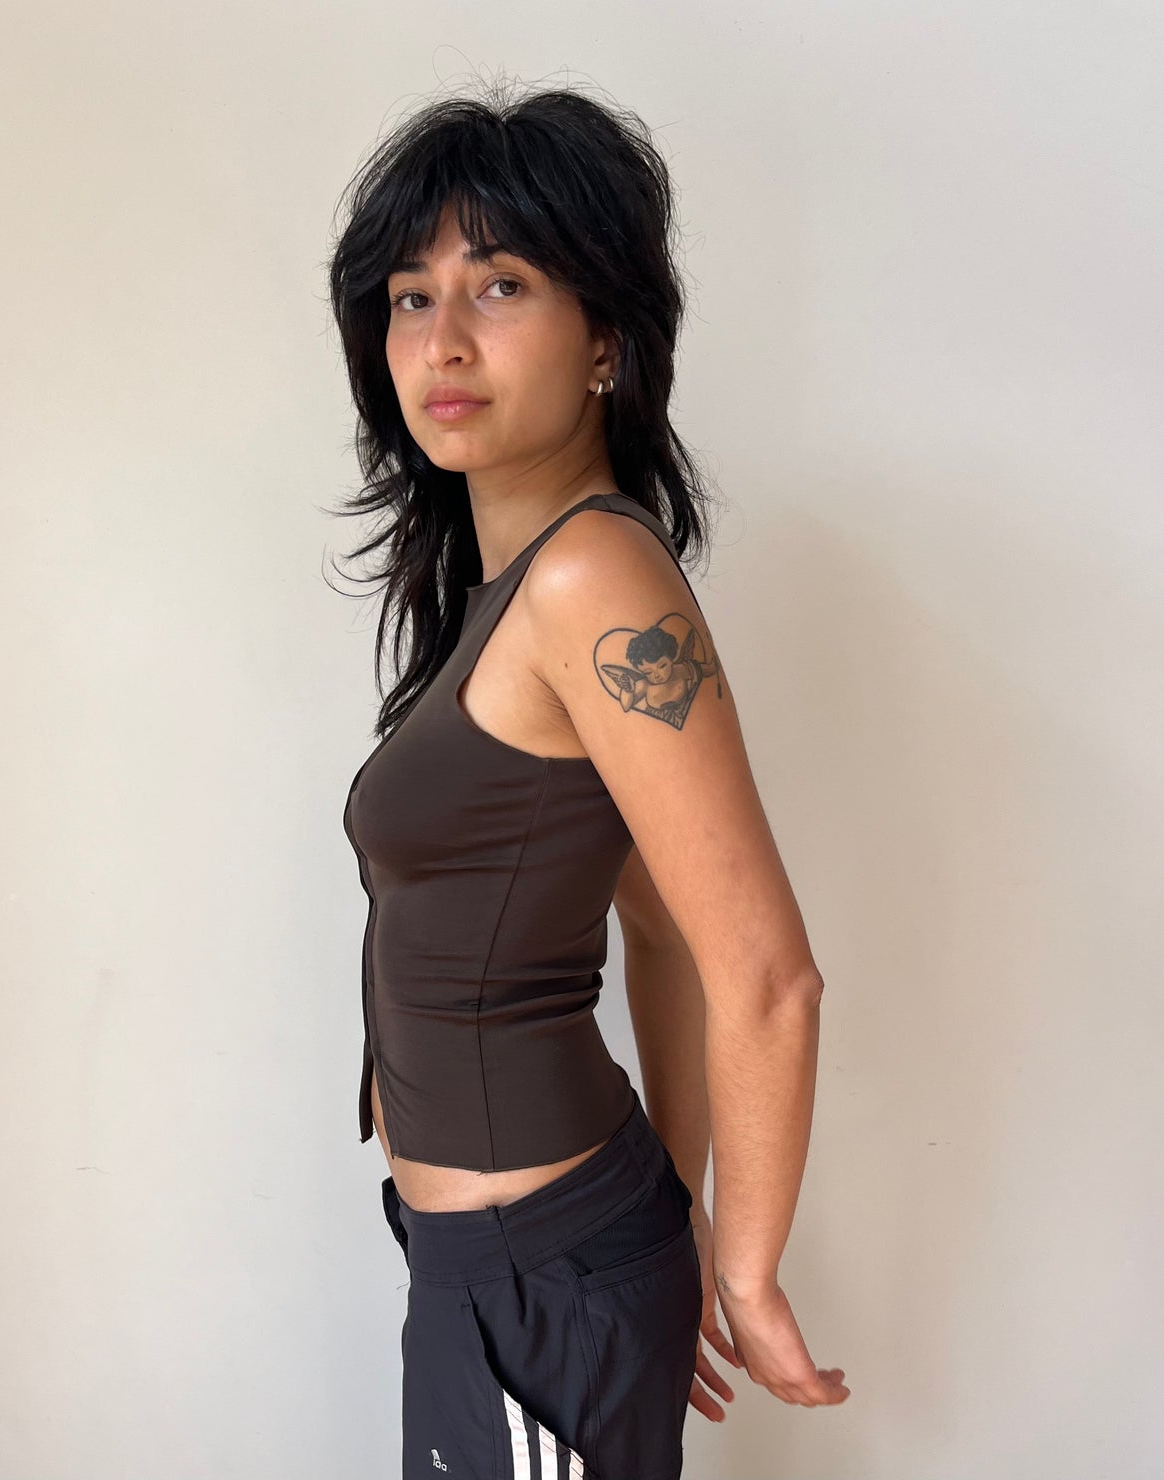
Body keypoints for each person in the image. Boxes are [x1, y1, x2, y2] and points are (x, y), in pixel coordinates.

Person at [326, 80, 849, 1479]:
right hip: (505, 1262)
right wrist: (674, 1193)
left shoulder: (587, 577)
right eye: (408, 296)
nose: (442, 337)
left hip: (536, 1272)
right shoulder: (516, 591)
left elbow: (768, 976)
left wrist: (744, 1269)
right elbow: (658, 926)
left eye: (500, 285)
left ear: (607, 336)